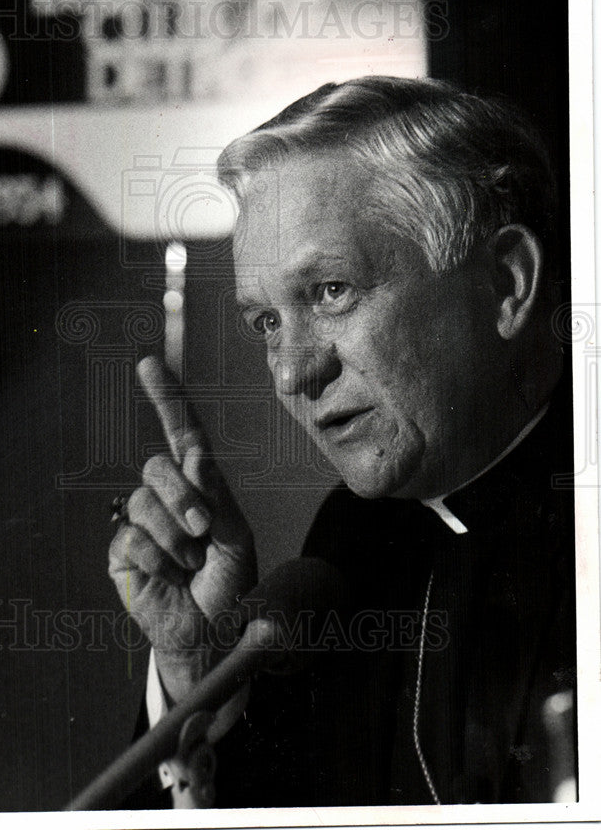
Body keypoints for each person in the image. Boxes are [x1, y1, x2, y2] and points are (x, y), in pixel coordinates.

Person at [107, 77, 576, 807]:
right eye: (265, 322)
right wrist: (200, 688)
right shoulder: (349, 544)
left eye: (331, 291)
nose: (292, 372)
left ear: (504, 282)